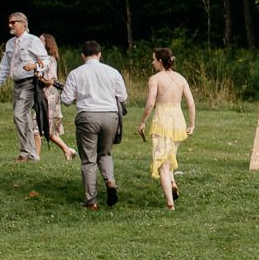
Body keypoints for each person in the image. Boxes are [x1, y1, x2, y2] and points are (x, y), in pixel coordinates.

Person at [61, 40, 128, 210]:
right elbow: (123, 96)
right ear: (99, 54)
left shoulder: (76, 73)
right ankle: (110, 182)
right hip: (110, 116)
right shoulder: (113, 72)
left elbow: (66, 99)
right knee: (105, 153)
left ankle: (91, 200)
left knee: (88, 160)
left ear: (83, 55)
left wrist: (79, 96)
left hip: (88, 116)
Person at [136, 47, 196, 209]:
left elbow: (150, 103)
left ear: (160, 61)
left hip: (162, 120)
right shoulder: (180, 78)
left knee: (162, 163)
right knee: (169, 157)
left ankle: (170, 203)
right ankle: (172, 182)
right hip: (178, 121)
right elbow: (191, 103)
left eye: (154, 59)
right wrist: (192, 124)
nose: (152, 62)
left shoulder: (155, 79)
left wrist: (142, 122)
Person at [0, 12, 49, 162]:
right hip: (17, 85)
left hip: (29, 83)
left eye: (13, 22)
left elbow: (46, 61)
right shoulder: (10, 44)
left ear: (23, 23)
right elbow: (4, 67)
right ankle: (32, 154)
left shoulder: (33, 41)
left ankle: (25, 152)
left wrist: (35, 66)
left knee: (19, 115)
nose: (10, 25)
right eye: (9, 22)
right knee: (22, 117)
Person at [35, 33, 78, 161]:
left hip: (50, 96)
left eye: (41, 40)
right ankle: (67, 150)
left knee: (36, 126)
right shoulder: (40, 59)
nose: (38, 41)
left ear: (47, 43)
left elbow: (51, 80)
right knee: (46, 129)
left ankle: (35, 156)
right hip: (43, 95)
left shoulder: (50, 60)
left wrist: (38, 78)